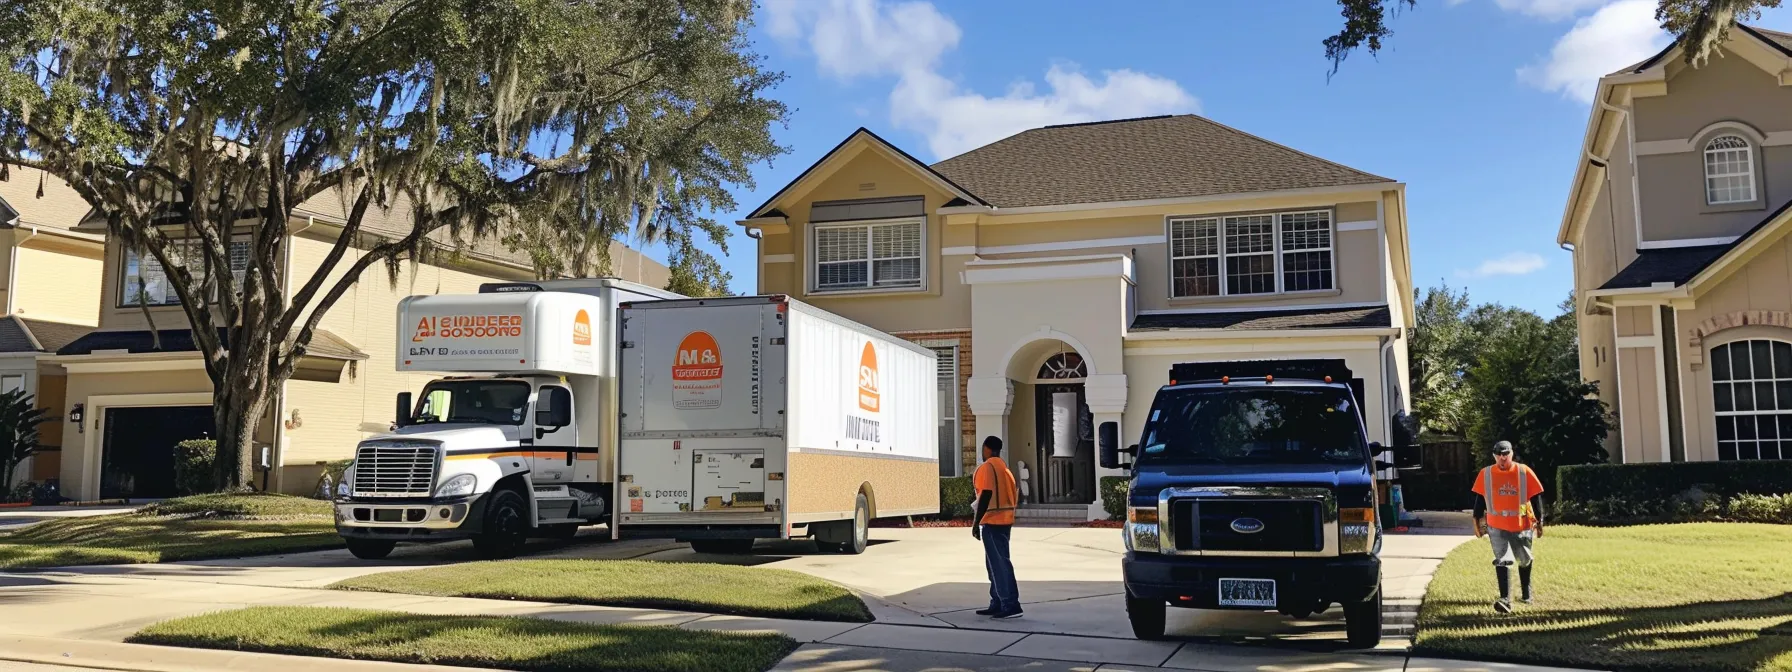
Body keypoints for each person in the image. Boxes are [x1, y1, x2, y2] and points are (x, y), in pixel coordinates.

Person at [1471, 440, 1546, 614]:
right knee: (1503, 560)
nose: (1503, 458)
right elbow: (1480, 500)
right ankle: (1505, 598)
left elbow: (1535, 498)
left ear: (1512, 454)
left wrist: (1540, 521)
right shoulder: (1486, 474)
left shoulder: (1523, 472)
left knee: (1525, 558)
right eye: (1499, 455)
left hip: (1521, 524)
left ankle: (1526, 593)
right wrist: (1476, 520)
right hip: (1496, 525)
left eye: (1506, 454)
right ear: (1494, 456)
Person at [971, 435, 1022, 619]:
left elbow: (985, 495)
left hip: (992, 522)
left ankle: (1010, 604)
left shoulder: (987, 468)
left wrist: (976, 523)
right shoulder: (1005, 469)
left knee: (999, 565)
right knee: (996, 564)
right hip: (1005, 522)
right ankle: (998, 601)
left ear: (986, 448)